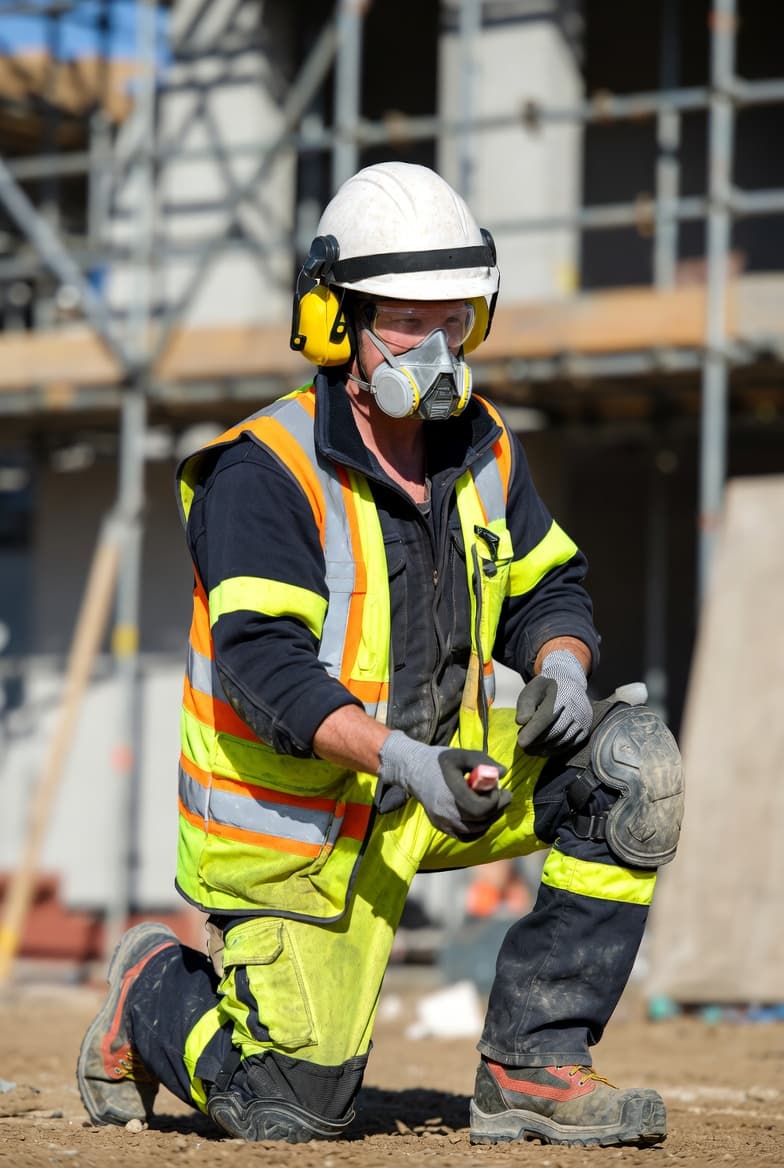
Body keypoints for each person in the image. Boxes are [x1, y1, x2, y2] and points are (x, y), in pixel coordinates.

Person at [76, 161, 684, 1147]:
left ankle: (531, 1066)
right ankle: (151, 988)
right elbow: (265, 666)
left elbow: (548, 588)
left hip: (445, 778)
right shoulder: (263, 472)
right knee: (290, 1106)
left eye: (454, 319)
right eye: (406, 321)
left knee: (630, 768)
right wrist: (402, 761)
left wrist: (564, 666)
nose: (436, 348)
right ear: (334, 321)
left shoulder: (483, 446)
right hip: (299, 830)